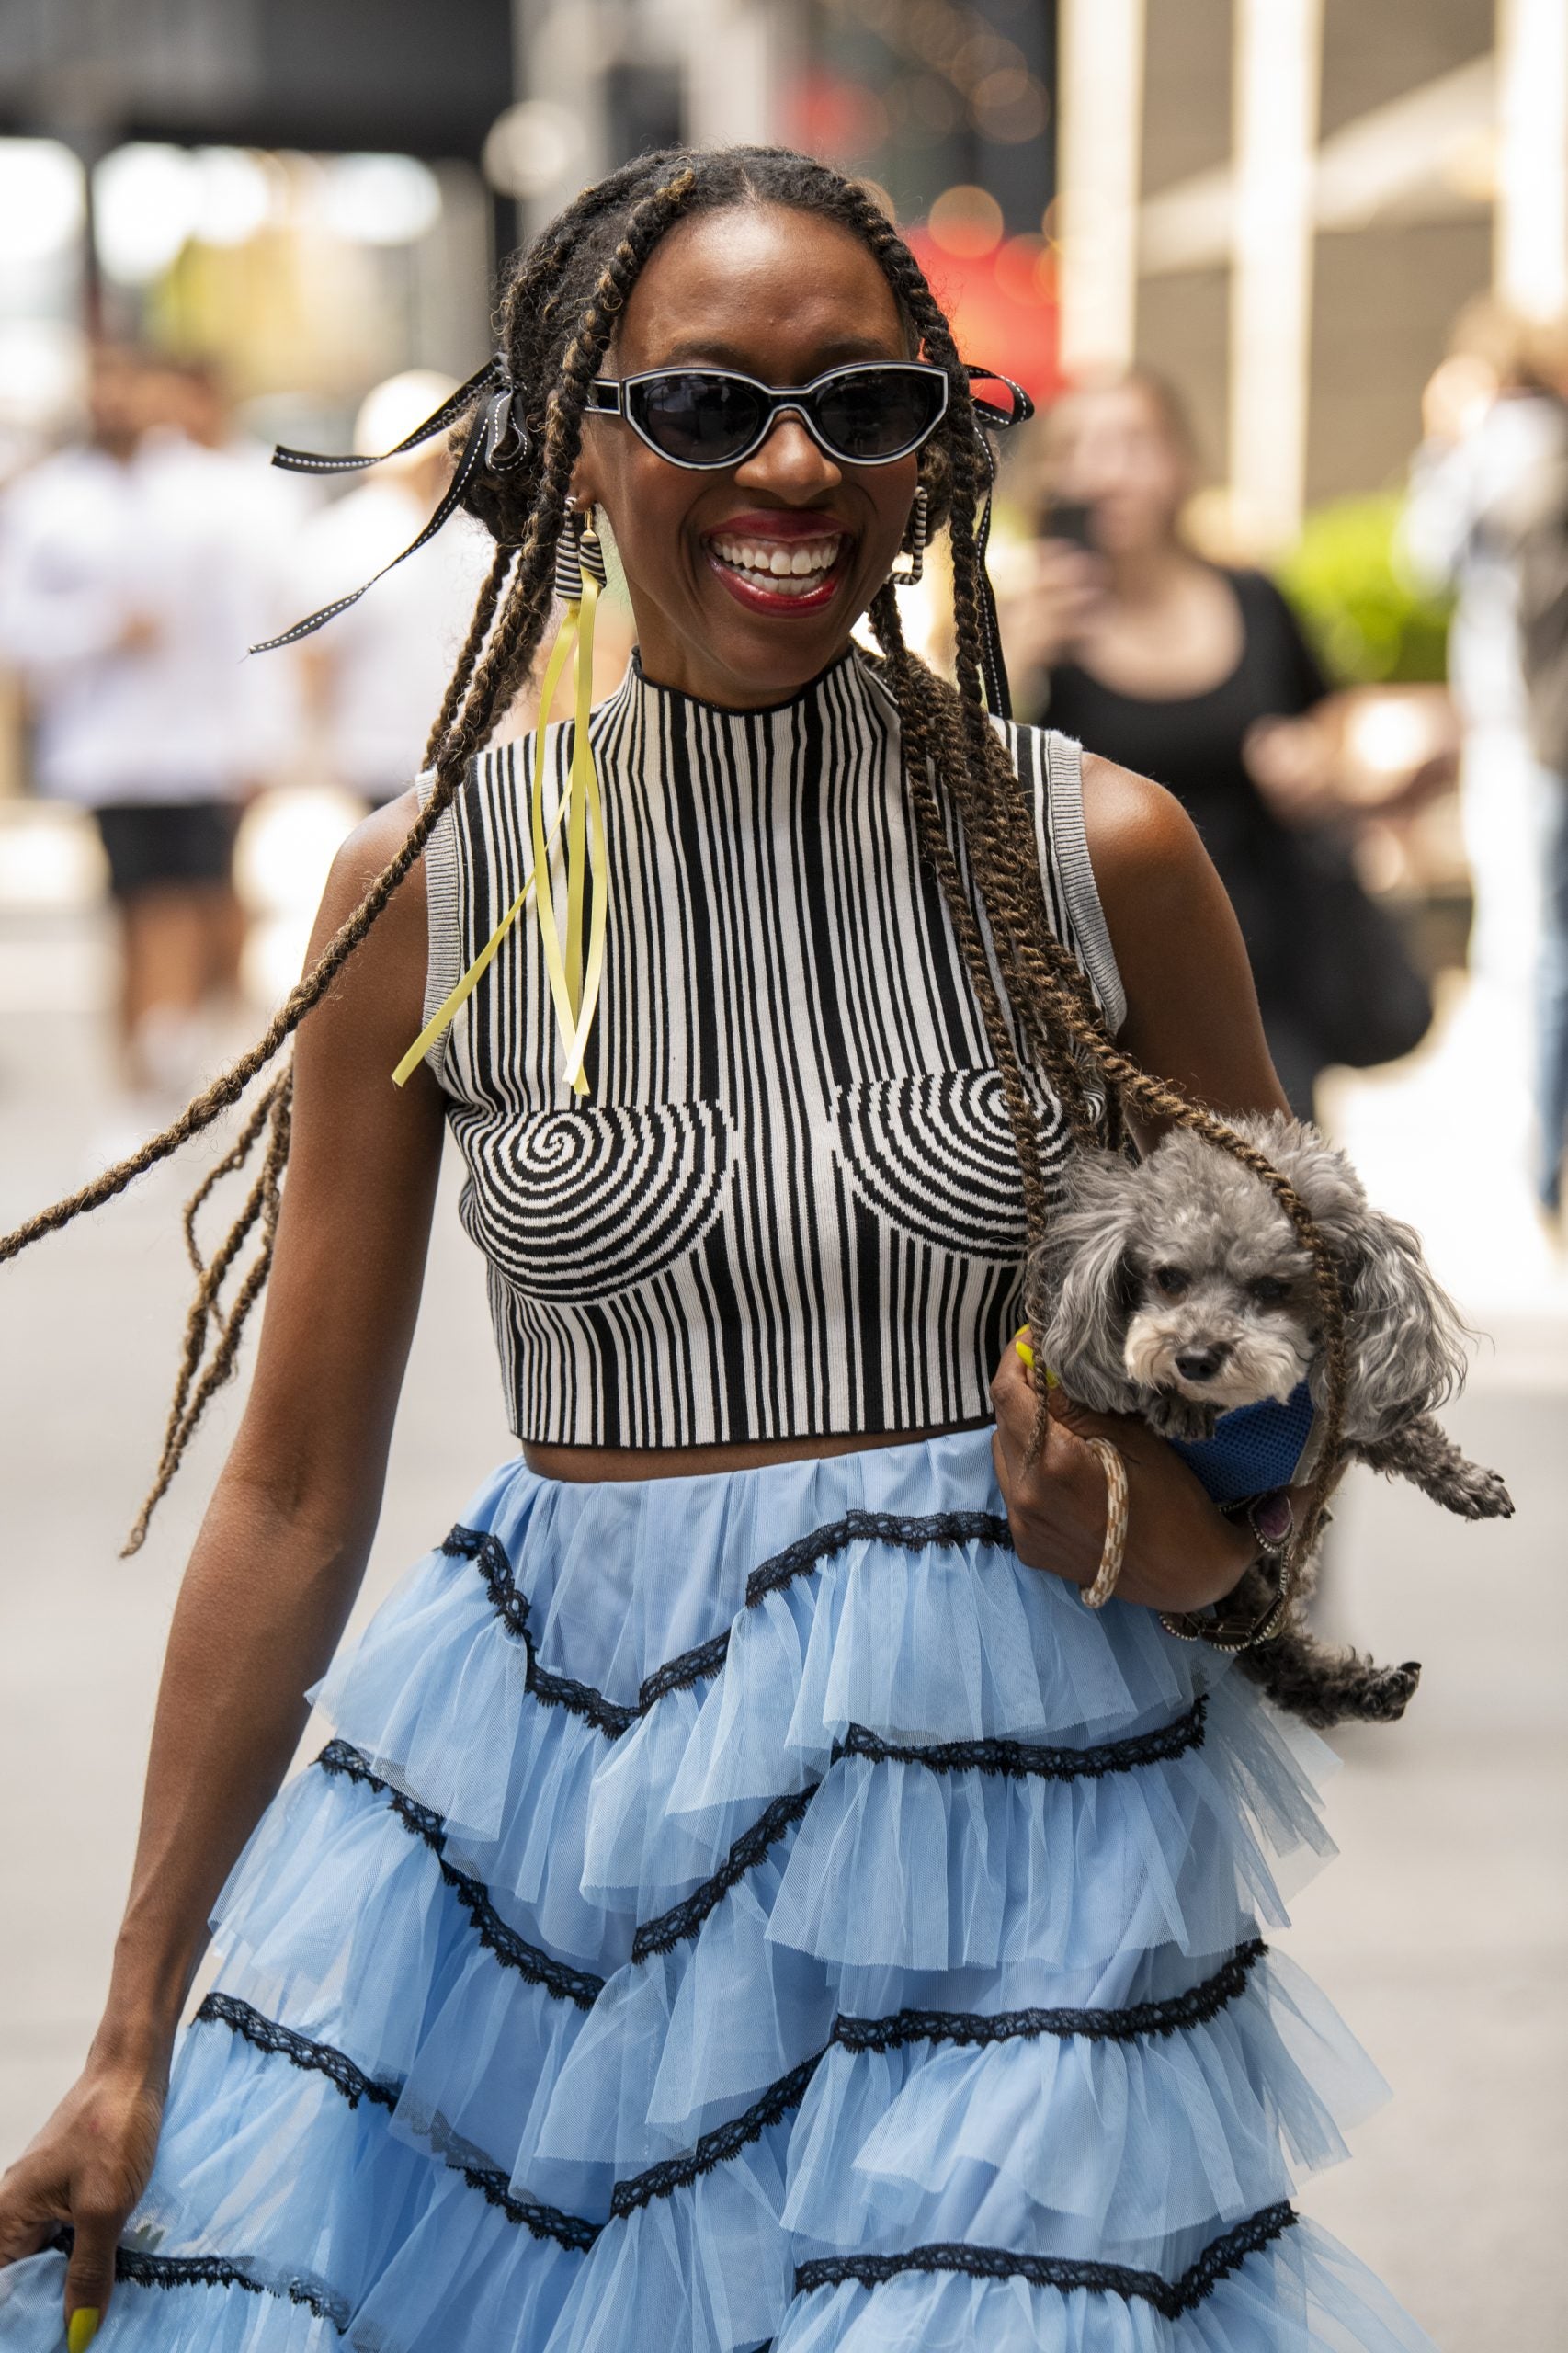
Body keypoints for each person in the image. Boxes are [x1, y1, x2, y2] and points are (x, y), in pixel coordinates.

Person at [0, 152, 1432, 2353]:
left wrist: (1149, 1523)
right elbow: (291, 1486)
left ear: (938, 446)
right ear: (573, 430)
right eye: (702, 407)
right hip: (557, 1811)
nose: (790, 464)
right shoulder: (435, 885)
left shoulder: (1093, 849)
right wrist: (126, 2026)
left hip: (998, 1811)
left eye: (864, 403)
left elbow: (1283, 1408)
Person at [1005, 369, 1429, 1118]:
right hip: (1102, 985)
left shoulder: (1253, 599)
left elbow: (1331, 717)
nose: (1106, 469)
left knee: (1277, 1189)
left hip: (1268, 971)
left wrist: (1316, 761)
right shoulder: (1022, 623)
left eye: (1132, 443)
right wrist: (1007, 668)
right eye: (1080, 447)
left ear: (1179, 464)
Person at [0, 347, 285, 1132]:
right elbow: (17, 628)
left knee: (202, 907)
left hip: (199, 747)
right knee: (135, 914)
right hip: (108, 752)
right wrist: (101, 629)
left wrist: (261, 738)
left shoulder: (201, 496)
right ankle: (143, 1081)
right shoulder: (51, 502)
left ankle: (180, 1053)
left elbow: (244, 625)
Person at [1403, 301, 1568, 1218]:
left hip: (1522, 726)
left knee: (1527, 941)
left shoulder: (1498, 441)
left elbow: (1424, 558)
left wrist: (1443, 441)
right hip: (1538, 718)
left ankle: (1536, 1158)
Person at [290, 371, 501, 808]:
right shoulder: (341, 540)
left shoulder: (336, 538)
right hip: (386, 762)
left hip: (468, 758)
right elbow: (314, 663)